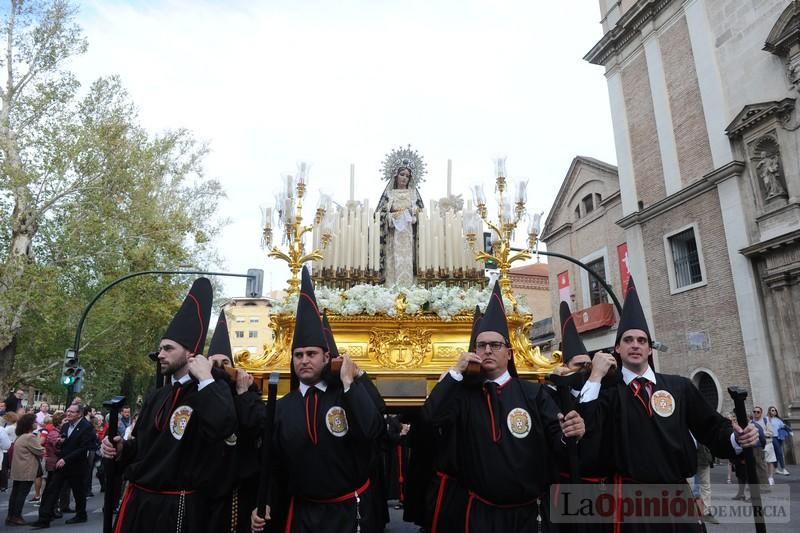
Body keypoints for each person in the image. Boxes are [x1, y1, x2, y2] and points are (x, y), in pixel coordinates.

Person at [581, 276, 760, 532]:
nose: (635, 345)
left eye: (642, 341)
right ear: (616, 349)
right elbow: (586, 430)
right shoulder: (608, 393)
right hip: (631, 503)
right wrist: (595, 376)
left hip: (677, 498)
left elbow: (711, 427)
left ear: (650, 349)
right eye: (628, 340)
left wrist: (736, 438)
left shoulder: (679, 387)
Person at [422, 281, 585, 532]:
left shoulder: (534, 393)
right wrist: (456, 371)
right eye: (481, 345)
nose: (487, 350)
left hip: (529, 515)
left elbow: (558, 440)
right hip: (479, 514)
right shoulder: (463, 396)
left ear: (509, 353)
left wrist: (570, 433)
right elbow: (430, 418)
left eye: (495, 345)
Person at [251, 266, 385, 533]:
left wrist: (350, 381)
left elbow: (373, 430)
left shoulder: (346, 395)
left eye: (311, 353)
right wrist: (261, 504)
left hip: (349, 514)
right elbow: (273, 464)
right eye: (298, 355)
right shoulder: (282, 407)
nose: (304, 360)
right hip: (301, 514)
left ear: (326, 357)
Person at [101, 277, 237, 532]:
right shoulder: (157, 396)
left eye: (168, 348)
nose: (160, 354)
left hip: (178, 508)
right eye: (160, 348)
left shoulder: (210, 389)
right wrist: (120, 449)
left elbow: (223, 426)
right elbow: (143, 447)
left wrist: (206, 378)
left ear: (190, 353)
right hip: (140, 502)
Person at [205, 310, 262, 532]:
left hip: (238, 489)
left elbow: (257, 426)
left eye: (225, 362)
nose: (219, 367)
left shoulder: (247, 394)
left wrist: (242, 392)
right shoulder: (199, 394)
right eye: (214, 362)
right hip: (205, 486)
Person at [29, 403, 96, 528]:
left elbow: (84, 447)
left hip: (76, 465)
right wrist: (59, 442)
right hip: (61, 464)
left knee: (78, 492)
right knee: (51, 490)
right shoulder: (65, 425)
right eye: (68, 411)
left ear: (79, 414)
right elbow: (64, 442)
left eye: (72, 412)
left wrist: (67, 459)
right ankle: (44, 519)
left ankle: (81, 514)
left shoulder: (86, 427)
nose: (68, 413)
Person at [376, 145, 425, 287]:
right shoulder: (390, 194)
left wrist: (412, 213)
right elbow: (380, 215)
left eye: (407, 176)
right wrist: (392, 217)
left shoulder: (413, 193)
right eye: (402, 174)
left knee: (408, 263)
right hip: (393, 236)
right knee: (393, 262)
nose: (404, 178)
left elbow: (421, 213)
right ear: (396, 175)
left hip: (409, 236)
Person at [5, 414, 44, 526]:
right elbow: (40, 450)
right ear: (29, 424)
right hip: (26, 469)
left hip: (18, 469)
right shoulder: (30, 437)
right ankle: (17, 516)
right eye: (34, 421)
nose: (36, 423)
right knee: (22, 494)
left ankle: (11, 515)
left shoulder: (20, 436)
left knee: (15, 493)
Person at [767, 406, 790, 475]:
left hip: (779, 437)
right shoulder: (767, 419)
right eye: (772, 410)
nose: (774, 412)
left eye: (775, 410)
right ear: (769, 412)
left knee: (777, 453)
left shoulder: (778, 419)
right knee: (779, 452)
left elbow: (783, 426)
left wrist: (788, 429)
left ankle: (776, 468)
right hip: (773, 437)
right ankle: (783, 469)